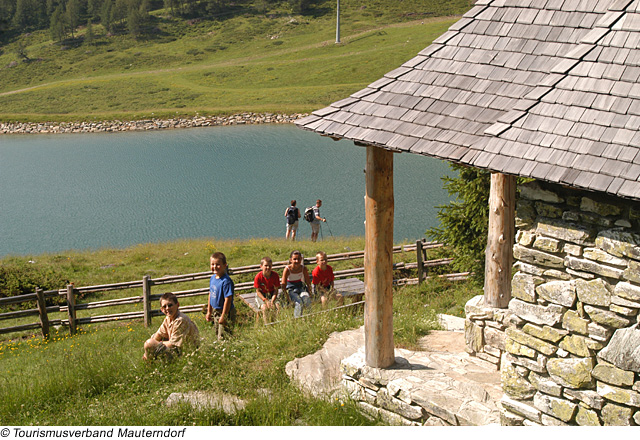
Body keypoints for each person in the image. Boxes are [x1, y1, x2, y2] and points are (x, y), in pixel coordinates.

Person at [143, 292, 200, 361]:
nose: (167, 308)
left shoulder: (181, 320)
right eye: (164, 306)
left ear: (177, 305)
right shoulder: (168, 318)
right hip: (178, 350)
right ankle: (150, 363)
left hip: (187, 353)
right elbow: (158, 335)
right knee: (151, 341)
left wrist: (153, 344)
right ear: (161, 309)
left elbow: (173, 344)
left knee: (150, 343)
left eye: (170, 305)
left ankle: (150, 363)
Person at [205, 252, 236, 340]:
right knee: (217, 332)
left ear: (225, 265)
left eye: (218, 264)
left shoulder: (226, 281)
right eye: (212, 264)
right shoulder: (213, 278)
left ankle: (227, 351)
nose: (215, 267)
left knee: (224, 336)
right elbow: (211, 294)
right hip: (216, 311)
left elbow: (228, 299)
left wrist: (224, 316)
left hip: (225, 311)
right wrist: (209, 311)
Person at [281, 250, 312, 318]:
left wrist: (310, 292)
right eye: (294, 259)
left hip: (300, 287)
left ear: (301, 259)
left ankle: (309, 317)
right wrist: (287, 297)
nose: (297, 261)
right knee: (299, 303)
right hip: (290, 288)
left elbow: (308, 282)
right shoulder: (287, 269)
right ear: (291, 260)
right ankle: (297, 319)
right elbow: (283, 284)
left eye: (298, 259)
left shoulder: (303, 268)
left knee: (307, 300)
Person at [254, 256, 281, 323]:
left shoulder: (275, 275)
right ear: (261, 266)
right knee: (265, 308)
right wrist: (265, 300)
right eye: (266, 266)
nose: (268, 268)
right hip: (262, 295)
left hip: (272, 294)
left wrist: (272, 300)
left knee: (277, 307)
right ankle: (267, 324)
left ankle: (275, 322)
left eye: (270, 266)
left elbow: (276, 290)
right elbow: (258, 291)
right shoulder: (258, 277)